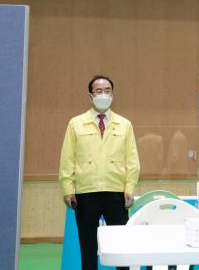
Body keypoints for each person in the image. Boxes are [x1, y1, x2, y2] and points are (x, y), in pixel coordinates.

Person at [58, 75, 140, 270]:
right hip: (86, 193)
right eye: (99, 91)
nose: (103, 95)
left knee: (121, 247)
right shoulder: (76, 124)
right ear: (91, 96)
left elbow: (132, 160)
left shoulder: (124, 124)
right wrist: (68, 189)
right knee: (88, 246)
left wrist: (130, 188)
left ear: (112, 95)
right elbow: (67, 159)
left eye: (107, 91)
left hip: (116, 193)